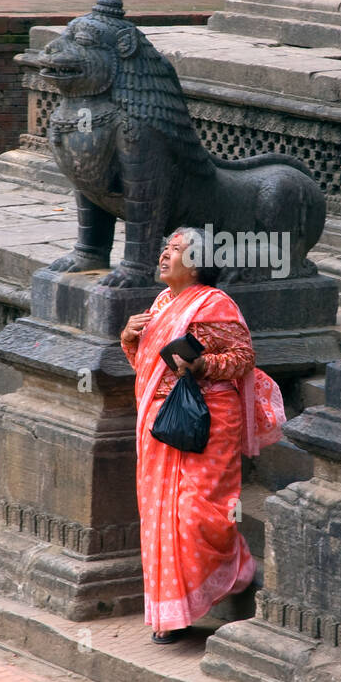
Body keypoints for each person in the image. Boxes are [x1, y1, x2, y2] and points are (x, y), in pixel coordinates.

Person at [120, 228, 261, 644]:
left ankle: (234, 568)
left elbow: (243, 358)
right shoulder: (162, 302)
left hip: (209, 420)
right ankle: (173, 616)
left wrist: (201, 368)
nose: (164, 255)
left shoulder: (216, 303)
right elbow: (147, 366)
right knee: (159, 514)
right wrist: (128, 337)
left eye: (175, 250)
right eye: (164, 248)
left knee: (196, 514)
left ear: (197, 264)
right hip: (162, 420)